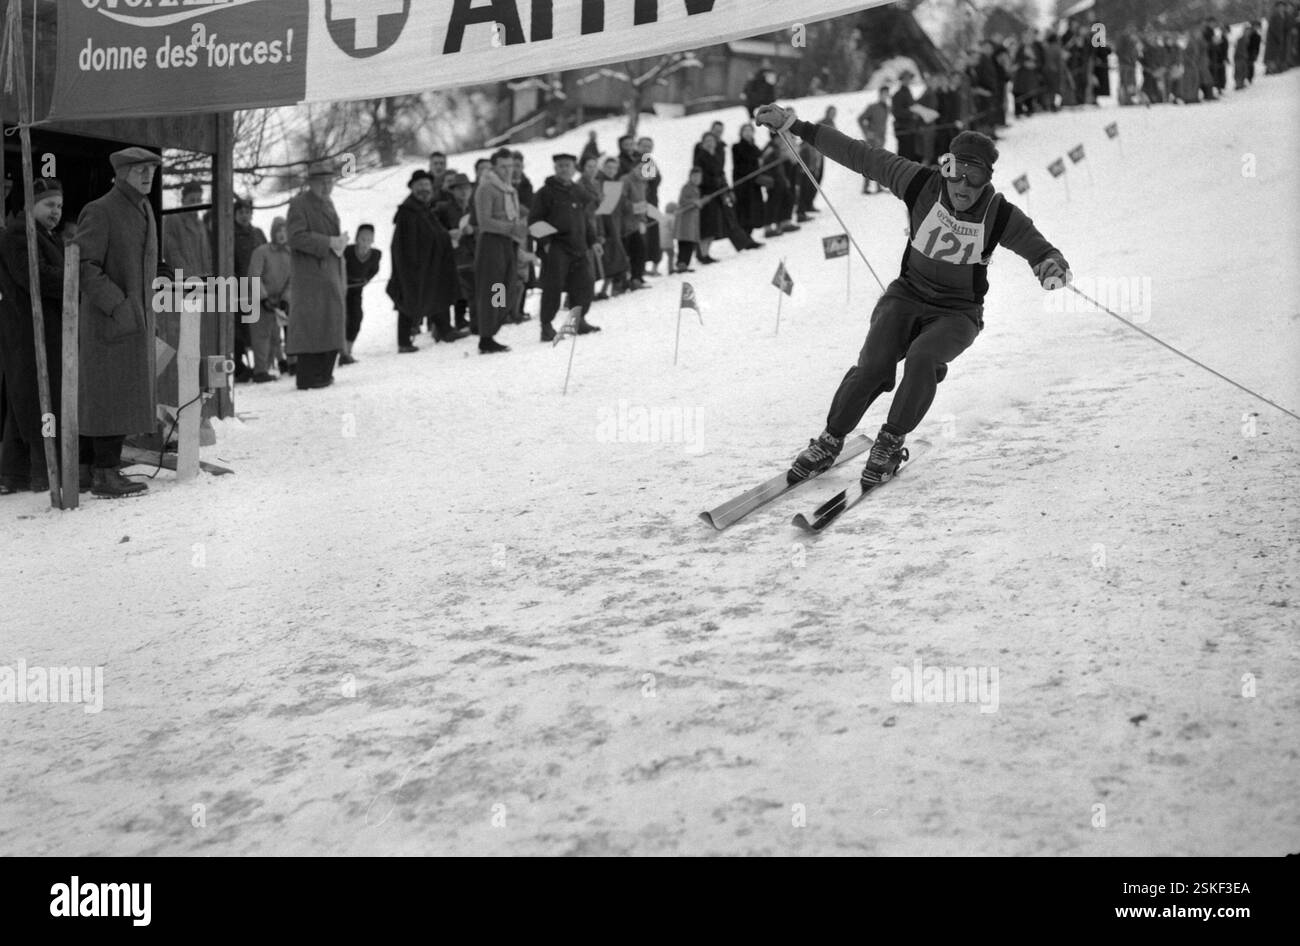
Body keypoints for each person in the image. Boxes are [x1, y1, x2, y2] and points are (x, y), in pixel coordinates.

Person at [752, 104, 1070, 488]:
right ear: (946, 168)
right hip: (906, 296)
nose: (964, 188)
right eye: (957, 175)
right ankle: (830, 440)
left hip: (956, 314)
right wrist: (794, 125)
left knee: (922, 358)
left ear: (987, 180)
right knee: (873, 365)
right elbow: (859, 154)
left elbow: (1041, 250)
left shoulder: (998, 214)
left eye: (975, 179)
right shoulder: (920, 183)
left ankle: (889, 442)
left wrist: (1051, 265)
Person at [76, 148, 171, 497]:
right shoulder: (101, 210)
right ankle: (105, 473)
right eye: (139, 170)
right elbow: (84, 266)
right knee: (107, 395)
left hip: (132, 320)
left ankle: (89, 471)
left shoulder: (143, 208)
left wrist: (159, 276)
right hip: (109, 322)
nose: (148, 176)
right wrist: (119, 305)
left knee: (117, 392)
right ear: (121, 174)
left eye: (151, 170)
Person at [0, 178, 68, 495]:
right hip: (30, 331)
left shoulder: (44, 235)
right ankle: (43, 470)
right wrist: (74, 276)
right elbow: (35, 277)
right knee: (41, 399)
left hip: (37, 328)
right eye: (48, 205)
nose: (55, 212)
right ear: (31, 205)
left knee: (22, 400)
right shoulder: (20, 235)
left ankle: (13, 473)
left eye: (58, 206)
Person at [286, 160, 347, 389]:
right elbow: (295, 237)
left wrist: (338, 244)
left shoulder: (328, 204)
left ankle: (325, 374)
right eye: (321, 182)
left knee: (331, 322)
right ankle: (311, 377)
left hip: (329, 272)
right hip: (310, 277)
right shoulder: (299, 204)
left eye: (329, 181)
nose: (326, 186)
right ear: (310, 183)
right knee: (312, 326)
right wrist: (328, 242)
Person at [389, 170, 463, 353]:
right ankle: (404, 341)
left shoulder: (424, 208)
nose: (424, 189)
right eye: (420, 185)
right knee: (409, 299)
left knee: (437, 292)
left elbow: (433, 233)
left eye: (427, 185)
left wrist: (445, 237)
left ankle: (445, 329)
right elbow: (404, 244)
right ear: (412, 188)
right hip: (413, 265)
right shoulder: (408, 212)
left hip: (431, 263)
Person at [529, 153, 601, 342]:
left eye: (567, 165)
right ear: (555, 168)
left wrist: (593, 241)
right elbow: (534, 221)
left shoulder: (578, 191)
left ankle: (579, 320)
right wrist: (546, 244)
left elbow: (585, 219)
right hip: (556, 246)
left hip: (579, 245)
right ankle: (546, 326)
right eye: (560, 166)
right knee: (553, 287)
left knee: (585, 283)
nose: (564, 169)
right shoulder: (544, 193)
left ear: (573, 168)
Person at [473, 148, 527, 354]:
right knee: (493, 288)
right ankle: (486, 336)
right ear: (494, 167)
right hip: (491, 244)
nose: (507, 171)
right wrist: (511, 228)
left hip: (508, 242)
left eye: (510, 166)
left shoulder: (509, 189)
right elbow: (484, 221)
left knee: (505, 288)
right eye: (503, 167)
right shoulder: (487, 188)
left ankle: (493, 325)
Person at [246, 216, 292, 382]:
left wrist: (285, 299)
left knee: (275, 335)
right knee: (261, 336)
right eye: (278, 230)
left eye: (285, 230)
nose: (281, 234)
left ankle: (281, 363)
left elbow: (291, 281)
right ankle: (260, 371)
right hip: (258, 299)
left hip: (277, 301)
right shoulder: (262, 252)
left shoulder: (290, 254)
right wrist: (263, 297)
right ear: (273, 233)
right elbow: (254, 275)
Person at [434, 172, 478, 333]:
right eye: (459, 189)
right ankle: (442, 328)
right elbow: (431, 228)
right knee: (452, 293)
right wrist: (448, 233)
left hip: (471, 255)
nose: (464, 192)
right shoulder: (443, 208)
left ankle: (470, 323)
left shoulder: (475, 208)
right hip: (450, 257)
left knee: (472, 292)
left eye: (466, 188)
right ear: (452, 191)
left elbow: (483, 228)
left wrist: (473, 230)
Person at [231, 196, 266, 382]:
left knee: (258, 327)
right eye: (241, 212)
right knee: (239, 328)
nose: (244, 216)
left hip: (258, 287)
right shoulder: (230, 235)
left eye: (247, 212)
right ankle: (240, 367)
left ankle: (262, 364)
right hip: (239, 288)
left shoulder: (258, 234)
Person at [341, 223, 381, 364]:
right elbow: (338, 267)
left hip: (357, 289)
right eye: (363, 239)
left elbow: (374, 270)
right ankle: (342, 352)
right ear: (357, 239)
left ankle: (348, 351)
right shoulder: (347, 252)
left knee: (357, 317)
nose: (365, 243)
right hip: (342, 289)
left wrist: (365, 280)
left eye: (369, 240)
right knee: (343, 319)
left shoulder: (375, 255)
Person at [731, 123, 766, 236]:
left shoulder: (755, 147)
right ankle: (745, 237)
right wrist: (757, 163)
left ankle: (749, 236)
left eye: (750, 130)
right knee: (744, 211)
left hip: (754, 184)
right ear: (741, 133)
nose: (748, 132)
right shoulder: (737, 147)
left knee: (753, 211)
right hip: (743, 184)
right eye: (745, 130)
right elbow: (741, 165)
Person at [636, 136, 663, 276]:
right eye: (644, 146)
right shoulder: (635, 161)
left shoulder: (650, 161)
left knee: (654, 234)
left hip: (652, 202)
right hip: (640, 203)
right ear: (638, 146)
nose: (646, 149)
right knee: (642, 235)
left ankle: (654, 266)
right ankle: (640, 266)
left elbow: (655, 180)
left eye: (649, 146)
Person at [858, 87, 891, 194]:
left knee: (879, 162)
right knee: (870, 163)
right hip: (872, 140)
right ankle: (865, 187)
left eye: (887, 94)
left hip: (881, 139)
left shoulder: (887, 108)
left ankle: (878, 186)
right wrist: (867, 132)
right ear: (879, 94)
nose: (885, 95)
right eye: (883, 93)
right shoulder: (873, 107)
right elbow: (860, 119)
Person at [674, 168, 703, 273]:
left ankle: (685, 264)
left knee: (690, 244)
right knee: (685, 243)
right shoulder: (686, 188)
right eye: (694, 177)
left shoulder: (696, 189)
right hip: (685, 222)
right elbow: (682, 200)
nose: (697, 179)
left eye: (699, 177)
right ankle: (681, 263)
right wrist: (694, 202)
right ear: (690, 176)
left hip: (692, 222)